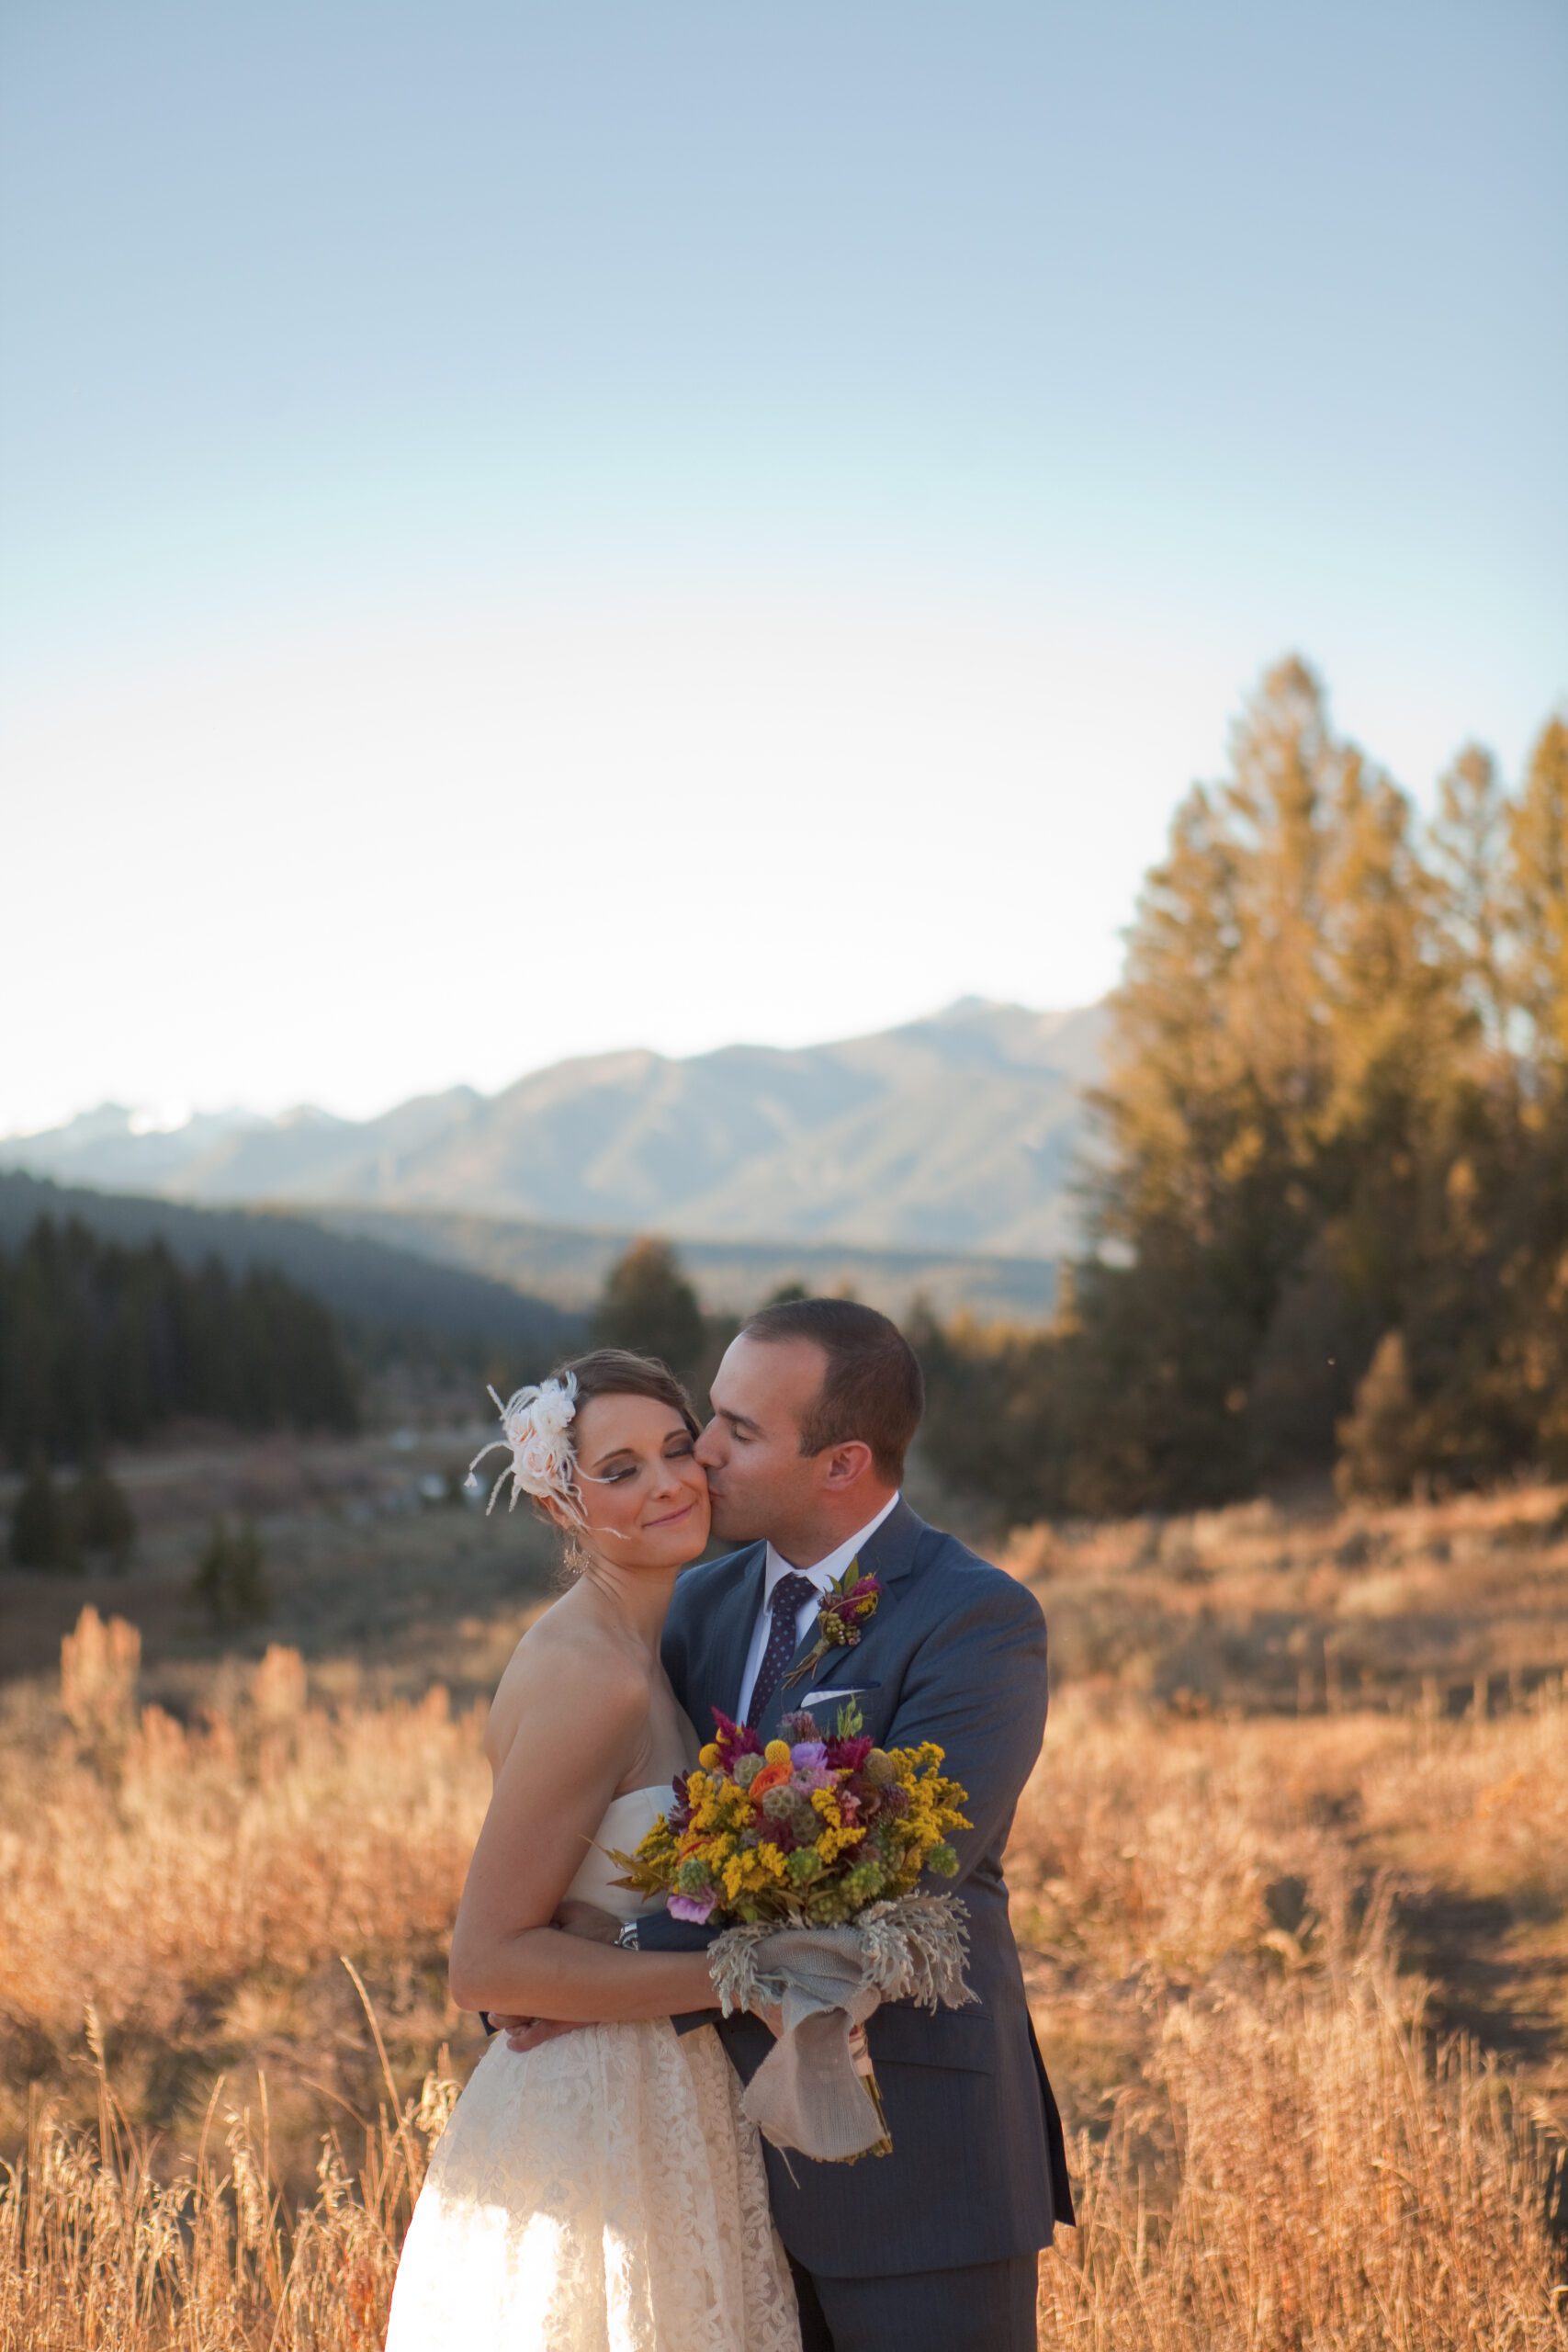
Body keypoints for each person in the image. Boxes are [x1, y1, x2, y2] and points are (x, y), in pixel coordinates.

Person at [496, 1298, 1075, 2352]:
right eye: (707, 1417)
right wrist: (537, 1956)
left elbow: (885, 1888)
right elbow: (613, 1813)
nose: (703, 1455)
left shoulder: (976, 1620)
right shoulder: (691, 1605)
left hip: (914, 2170)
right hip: (711, 2176)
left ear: (842, 1462)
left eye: (737, 1430)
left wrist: (584, 1965)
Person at [382, 1347, 801, 2352]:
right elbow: (486, 1963)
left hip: (667, 2094)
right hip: (601, 2110)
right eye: (619, 1470)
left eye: (675, 1449)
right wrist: (747, 1977)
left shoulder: (646, 1649)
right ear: (559, 1503)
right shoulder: (591, 1677)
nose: (667, 1484)